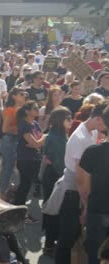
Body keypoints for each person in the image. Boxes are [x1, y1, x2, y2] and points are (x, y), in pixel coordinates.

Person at [43, 101, 108, 264]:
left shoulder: (91, 133)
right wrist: (85, 207)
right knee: (68, 238)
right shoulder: (80, 138)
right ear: (100, 119)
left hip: (84, 196)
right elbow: (81, 180)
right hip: (74, 194)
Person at [78, 105, 109, 264]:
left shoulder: (92, 152)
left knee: (95, 256)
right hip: (97, 212)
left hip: (97, 211)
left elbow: (84, 188)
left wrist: (85, 209)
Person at [41, 107, 72, 256]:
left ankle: (50, 243)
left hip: (53, 175)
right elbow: (59, 163)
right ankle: (49, 245)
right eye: (68, 118)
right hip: (54, 177)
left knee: (52, 209)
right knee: (53, 210)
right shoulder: (56, 137)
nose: (71, 121)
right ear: (60, 121)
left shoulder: (58, 134)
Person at [15, 101, 45, 224]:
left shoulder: (35, 123)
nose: (37, 110)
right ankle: (20, 214)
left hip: (35, 159)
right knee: (25, 186)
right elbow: (35, 143)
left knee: (26, 186)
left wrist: (39, 142)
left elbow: (38, 141)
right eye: (35, 108)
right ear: (27, 111)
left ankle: (19, 211)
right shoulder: (24, 124)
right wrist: (44, 139)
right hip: (25, 160)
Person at [0, 88, 27, 195]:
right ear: (14, 96)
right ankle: (2, 193)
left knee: (15, 169)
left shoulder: (22, 109)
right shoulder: (10, 110)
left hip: (18, 141)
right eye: (21, 94)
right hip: (10, 141)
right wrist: (21, 129)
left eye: (25, 94)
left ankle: (9, 191)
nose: (24, 95)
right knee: (7, 168)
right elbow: (5, 129)